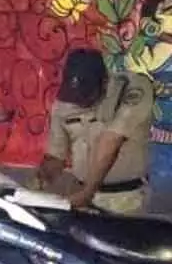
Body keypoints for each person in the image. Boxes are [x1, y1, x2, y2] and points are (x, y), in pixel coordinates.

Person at [37, 48, 155, 213]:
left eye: (86, 95)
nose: (79, 102)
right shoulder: (65, 100)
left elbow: (111, 140)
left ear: (105, 81)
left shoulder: (133, 89)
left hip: (124, 198)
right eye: (74, 95)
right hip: (79, 194)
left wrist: (88, 191)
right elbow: (57, 153)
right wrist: (42, 179)